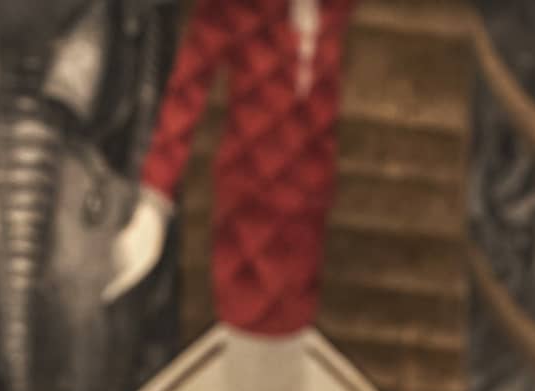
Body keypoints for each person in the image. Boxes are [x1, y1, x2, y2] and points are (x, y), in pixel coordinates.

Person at [104, 0, 359, 336]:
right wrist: (154, 200)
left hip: (310, 208)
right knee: (247, 331)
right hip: (251, 208)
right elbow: (188, 85)